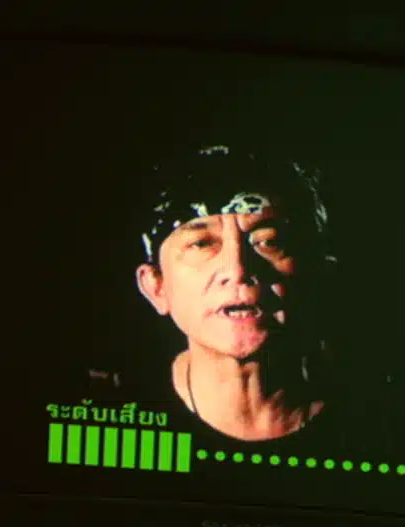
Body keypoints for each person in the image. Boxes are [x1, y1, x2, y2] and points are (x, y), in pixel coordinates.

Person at [134, 145, 336, 442]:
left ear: (315, 271)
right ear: (156, 286)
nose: (238, 269)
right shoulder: (120, 410)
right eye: (202, 244)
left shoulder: (380, 418)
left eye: (268, 241)